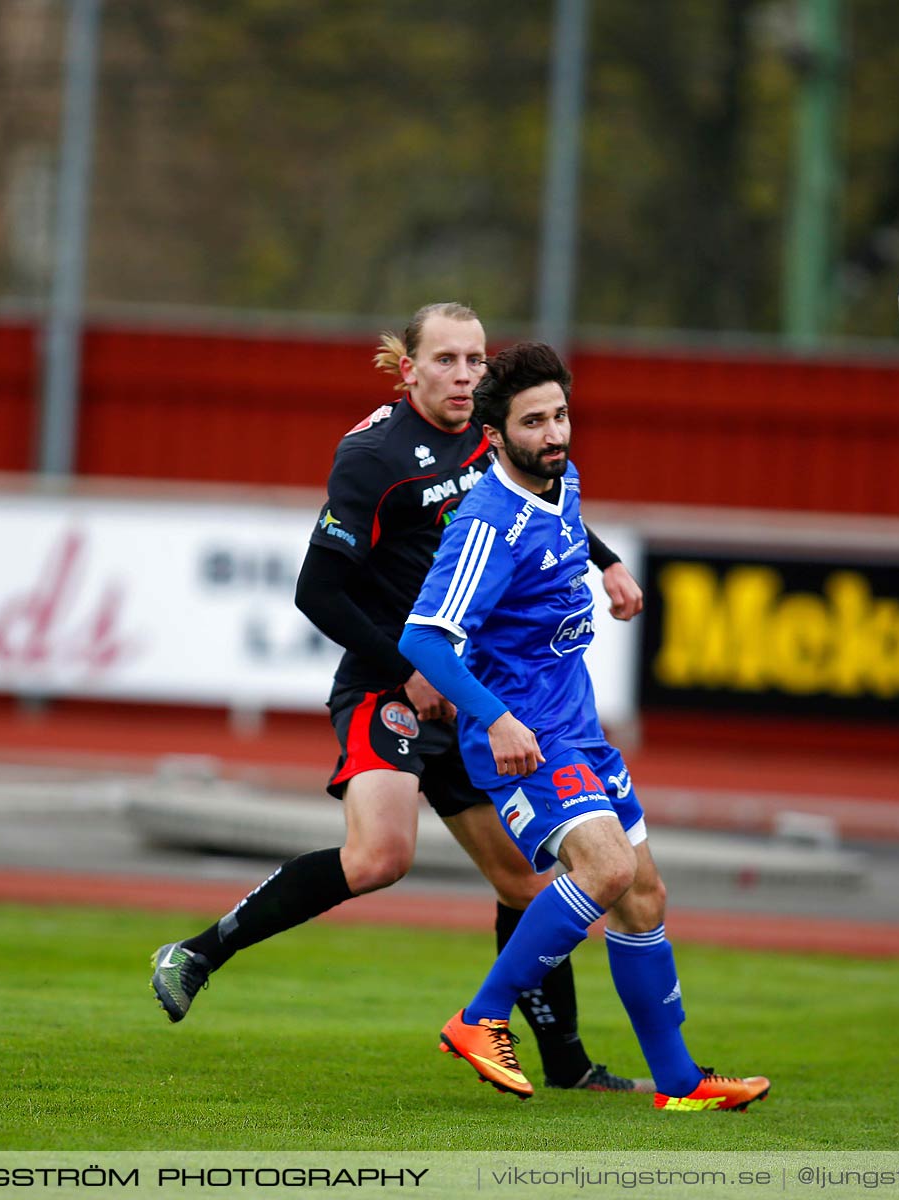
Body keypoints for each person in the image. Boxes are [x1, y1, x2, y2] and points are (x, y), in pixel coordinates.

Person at [150, 303, 651, 1093]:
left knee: (527, 882)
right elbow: (318, 590)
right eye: (446, 360)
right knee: (380, 857)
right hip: (390, 681)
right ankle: (198, 952)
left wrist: (608, 561)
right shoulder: (374, 454)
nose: (464, 375)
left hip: (470, 691)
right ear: (407, 368)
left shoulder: (495, 431)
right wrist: (405, 670)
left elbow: (540, 506)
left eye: (476, 360)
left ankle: (566, 1063)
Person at [398, 341, 772, 1112]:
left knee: (644, 897)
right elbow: (424, 640)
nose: (555, 434)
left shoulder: (561, 482)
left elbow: (566, 527)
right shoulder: (485, 525)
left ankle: (678, 1083)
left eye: (561, 415)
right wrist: (495, 719)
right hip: (524, 736)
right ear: (495, 436)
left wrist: (608, 566)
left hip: (578, 726)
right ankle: (479, 1018)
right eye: (534, 422)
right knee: (603, 872)